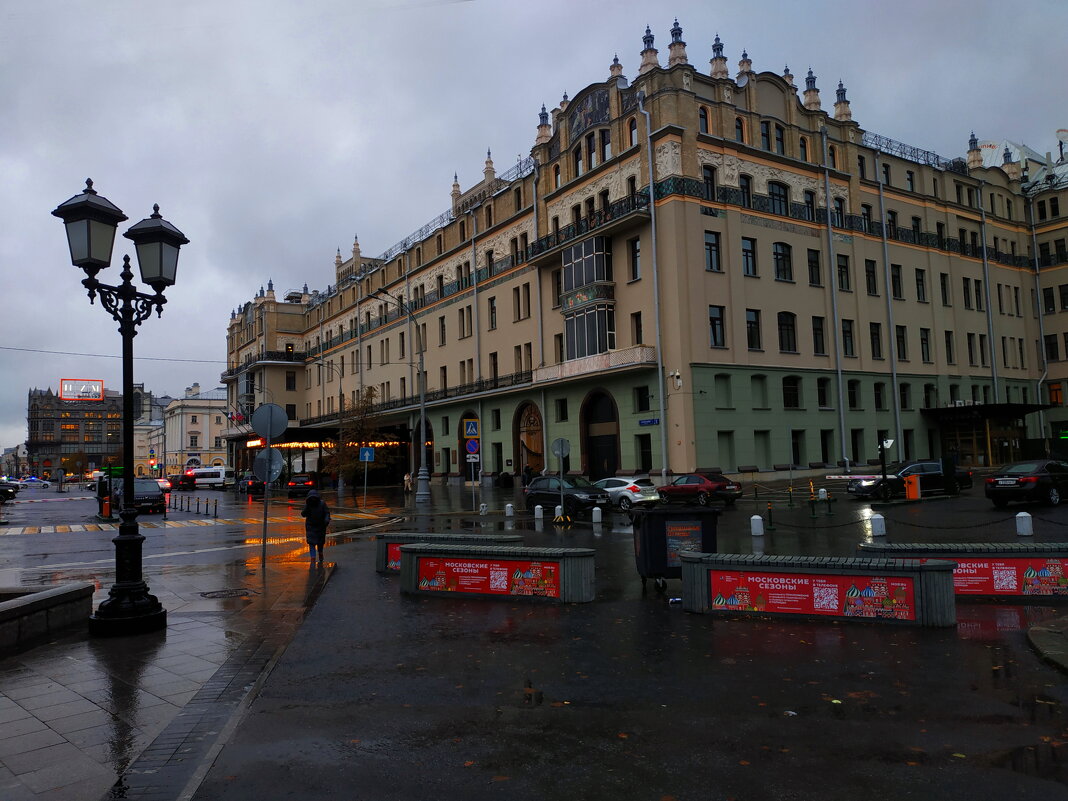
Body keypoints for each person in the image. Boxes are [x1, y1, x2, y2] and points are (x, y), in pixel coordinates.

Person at [301, 490, 331, 562]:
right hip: (310, 526)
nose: (313, 500)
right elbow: (303, 514)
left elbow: (327, 512)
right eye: (311, 498)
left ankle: (320, 553)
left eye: (314, 498)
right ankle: (313, 558)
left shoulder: (322, 504)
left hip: (321, 526)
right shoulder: (308, 505)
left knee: (320, 543)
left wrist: (326, 520)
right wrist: (306, 508)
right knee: (311, 543)